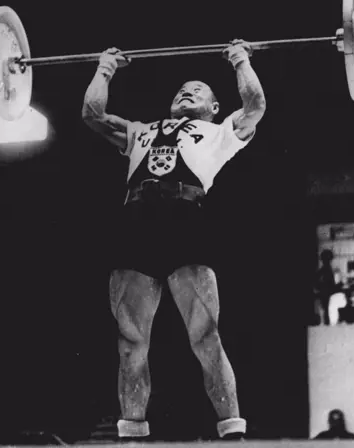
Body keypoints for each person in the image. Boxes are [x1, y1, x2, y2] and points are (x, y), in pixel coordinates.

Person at [82, 40, 266, 441]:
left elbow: (255, 106)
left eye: (198, 90)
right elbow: (92, 114)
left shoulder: (221, 132)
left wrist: (240, 59)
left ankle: (232, 432)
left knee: (205, 334)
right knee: (131, 340)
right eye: (183, 89)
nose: (187, 91)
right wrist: (105, 67)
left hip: (186, 219)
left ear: (214, 107)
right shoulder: (139, 131)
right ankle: (132, 432)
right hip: (136, 219)